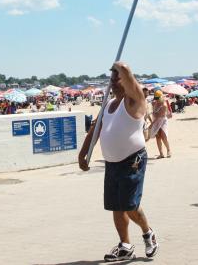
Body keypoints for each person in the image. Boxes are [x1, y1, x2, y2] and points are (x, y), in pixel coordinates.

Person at [78, 62, 158, 262]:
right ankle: (125, 245)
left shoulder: (135, 101)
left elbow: (131, 79)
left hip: (133, 160)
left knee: (130, 205)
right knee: (116, 206)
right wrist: (83, 153)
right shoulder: (108, 104)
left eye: (116, 78)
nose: (112, 82)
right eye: (111, 78)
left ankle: (148, 233)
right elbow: (95, 130)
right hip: (112, 162)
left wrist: (122, 67)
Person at [146, 90, 171, 159]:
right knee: (158, 137)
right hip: (156, 121)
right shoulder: (154, 103)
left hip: (162, 121)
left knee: (163, 136)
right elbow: (154, 113)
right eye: (155, 98)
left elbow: (159, 116)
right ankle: (161, 153)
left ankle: (168, 150)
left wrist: (151, 124)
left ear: (161, 97)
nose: (156, 100)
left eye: (157, 98)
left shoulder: (164, 105)